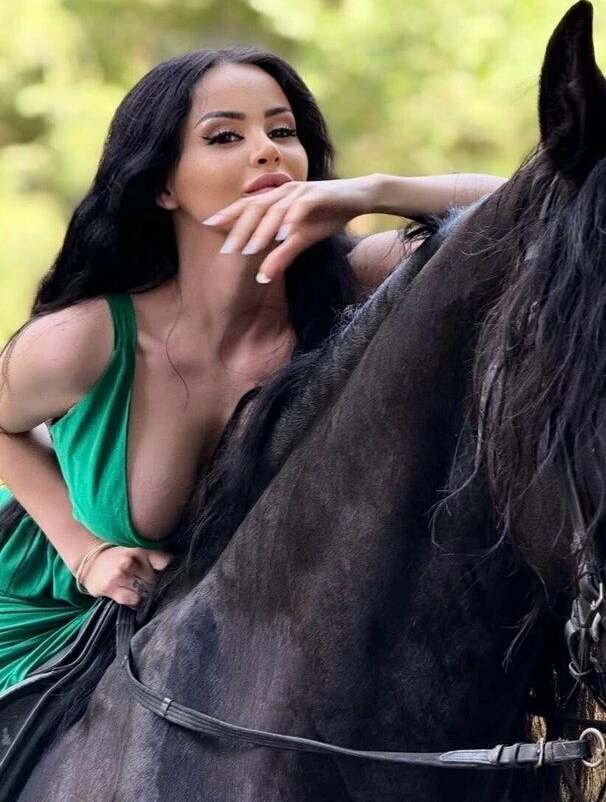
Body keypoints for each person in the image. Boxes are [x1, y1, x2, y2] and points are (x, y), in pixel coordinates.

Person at [0, 46, 504, 695]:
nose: (267, 150)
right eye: (225, 136)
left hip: (201, 646)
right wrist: (85, 551)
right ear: (161, 185)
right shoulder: (83, 340)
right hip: (27, 620)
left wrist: (371, 192)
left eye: (282, 131)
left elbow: (531, 207)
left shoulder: (355, 283)